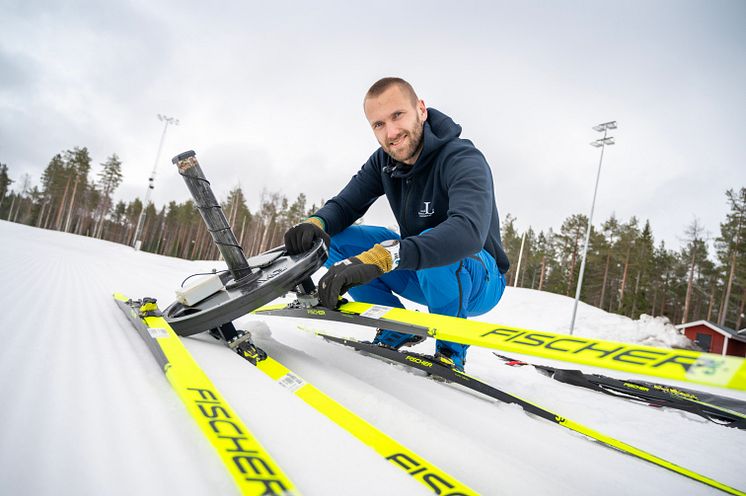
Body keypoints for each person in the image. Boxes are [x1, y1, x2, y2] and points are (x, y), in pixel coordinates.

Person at [284, 77, 510, 371]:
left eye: (397, 116)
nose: (391, 132)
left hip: (479, 279)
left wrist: (384, 256)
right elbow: (344, 205)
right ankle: (396, 325)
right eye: (378, 124)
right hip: (418, 270)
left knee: (435, 243)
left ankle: (451, 350)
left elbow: (467, 232)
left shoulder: (462, 158)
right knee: (337, 238)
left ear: (421, 110)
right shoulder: (383, 162)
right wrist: (315, 224)